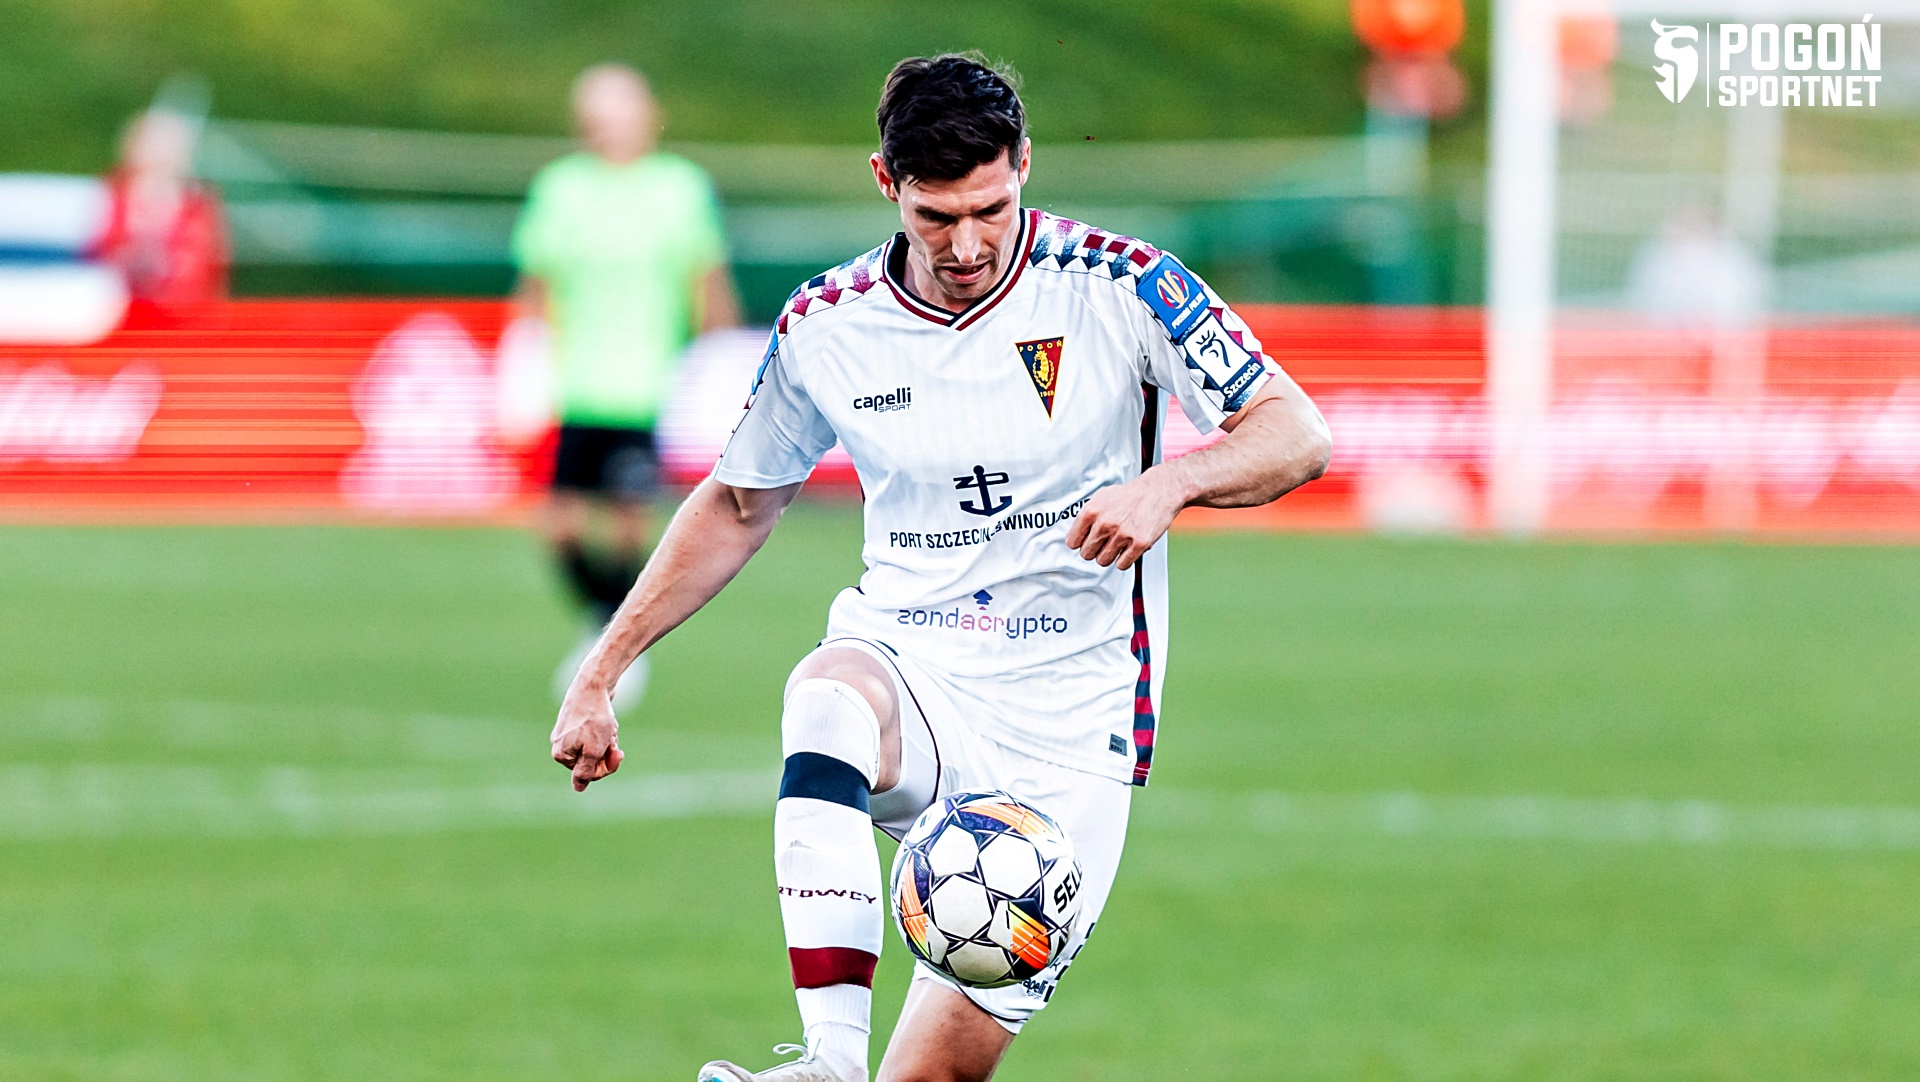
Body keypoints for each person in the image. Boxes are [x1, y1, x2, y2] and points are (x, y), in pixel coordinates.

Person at [549, 54, 1331, 1082]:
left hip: (1069, 721)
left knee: (933, 1074)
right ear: (886, 182)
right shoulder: (828, 324)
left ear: (1025, 165)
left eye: (990, 210)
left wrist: (1170, 484)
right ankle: (826, 1058)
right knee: (826, 696)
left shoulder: (1123, 284)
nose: (966, 245)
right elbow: (738, 501)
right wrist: (602, 669)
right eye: (935, 216)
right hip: (913, 662)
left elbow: (1296, 432)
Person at [513, 62, 740, 705]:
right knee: (559, 524)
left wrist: (718, 358)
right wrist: (523, 354)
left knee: (628, 523)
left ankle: (616, 649)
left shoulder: (678, 188)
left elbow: (706, 280)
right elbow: (537, 283)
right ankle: (604, 624)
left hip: (646, 387)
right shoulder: (562, 189)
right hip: (577, 384)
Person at [93, 107, 228, 304]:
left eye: (170, 144)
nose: (161, 152)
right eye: (154, 143)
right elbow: (91, 252)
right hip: (117, 306)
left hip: (182, 310)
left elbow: (213, 266)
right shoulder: (107, 194)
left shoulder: (198, 203)